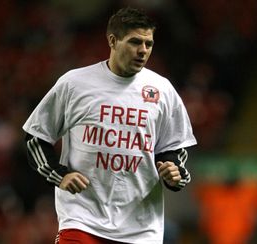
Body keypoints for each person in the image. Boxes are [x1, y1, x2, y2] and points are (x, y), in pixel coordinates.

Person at [22, 7, 197, 244]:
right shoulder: (75, 84)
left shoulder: (162, 89)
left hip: (141, 229)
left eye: (149, 44)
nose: (143, 51)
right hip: (82, 220)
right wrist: (59, 174)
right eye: (135, 42)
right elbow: (36, 136)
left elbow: (174, 146)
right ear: (113, 41)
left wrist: (174, 170)